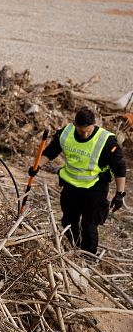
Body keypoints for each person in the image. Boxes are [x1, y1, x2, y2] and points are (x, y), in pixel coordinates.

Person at [29, 107, 126, 255]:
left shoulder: (106, 141)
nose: (85, 134)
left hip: (95, 187)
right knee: (68, 221)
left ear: (94, 124)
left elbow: (119, 167)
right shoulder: (66, 133)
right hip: (71, 186)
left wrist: (119, 194)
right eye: (81, 131)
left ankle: (88, 255)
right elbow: (51, 151)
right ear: (75, 124)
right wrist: (37, 166)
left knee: (89, 224)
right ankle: (73, 249)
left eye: (88, 131)